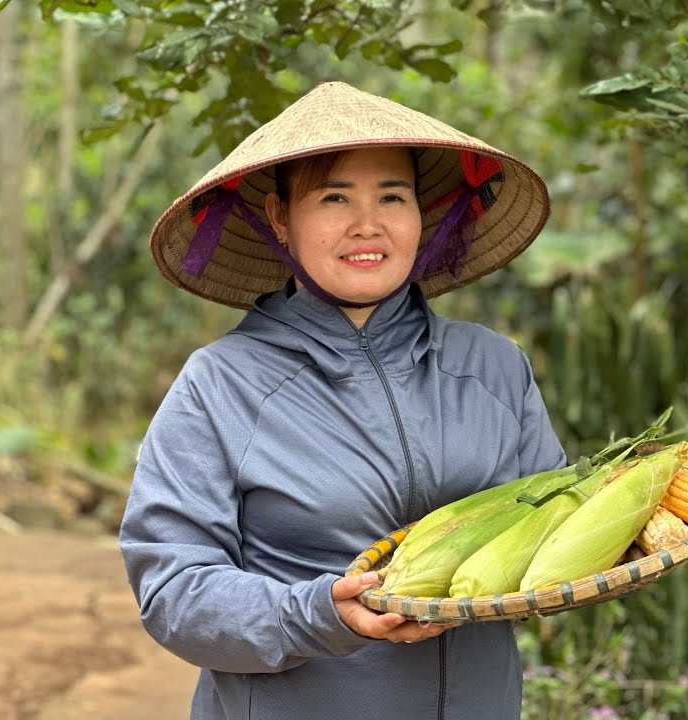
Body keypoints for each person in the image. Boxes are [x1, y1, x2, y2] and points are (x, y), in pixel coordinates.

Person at [121, 81, 566, 719]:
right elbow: (173, 591)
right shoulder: (219, 386)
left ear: (421, 214)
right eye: (334, 198)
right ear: (279, 219)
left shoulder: (493, 368)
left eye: (393, 196)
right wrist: (320, 614)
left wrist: (655, 511)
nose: (368, 224)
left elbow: (554, 531)